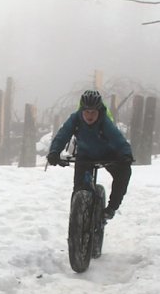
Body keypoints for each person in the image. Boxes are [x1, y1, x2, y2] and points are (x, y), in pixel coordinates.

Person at [46, 90, 133, 219]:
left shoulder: (104, 121)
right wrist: (54, 152)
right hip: (85, 156)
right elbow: (62, 135)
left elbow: (117, 138)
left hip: (108, 155)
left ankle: (111, 208)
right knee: (78, 190)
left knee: (124, 172)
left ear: (99, 111)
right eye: (86, 111)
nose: (90, 116)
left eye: (93, 112)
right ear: (81, 110)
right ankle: (76, 220)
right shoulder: (75, 119)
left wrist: (126, 155)